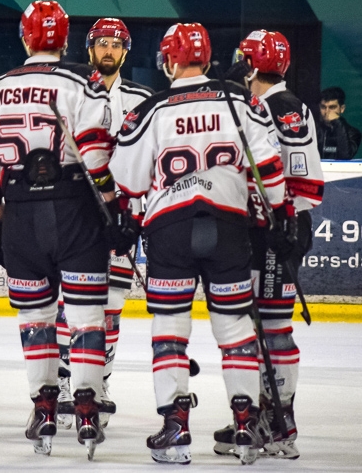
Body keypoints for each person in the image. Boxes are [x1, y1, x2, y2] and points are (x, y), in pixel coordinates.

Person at [110, 23, 293, 465]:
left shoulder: (153, 108)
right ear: (209, 59)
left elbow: (127, 179)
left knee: (170, 330)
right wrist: (281, 215)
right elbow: (268, 167)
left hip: (169, 231)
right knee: (235, 331)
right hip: (230, 228)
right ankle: (247, 425)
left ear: (169, 59)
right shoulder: (241, 101)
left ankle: (175, 427)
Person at [0, 0, 114, 456]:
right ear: (67, 40)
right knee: (87, 319)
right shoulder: (82, 81)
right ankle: (87, 408)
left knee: (35, 318)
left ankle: (45, 407)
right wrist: (113, 207)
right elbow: (95, 153)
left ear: (25, 37)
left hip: (20, 214)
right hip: (75, 211)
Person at [211, 29, 324, 460]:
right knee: (260, 327)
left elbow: (300, 184)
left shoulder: (273, 107)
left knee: (272, 330)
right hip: (273, 227)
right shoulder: (283, 103)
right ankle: (264, 415)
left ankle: (279, 423)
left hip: (278, 229)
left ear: (252, 64)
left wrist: (283, 220)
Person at [54, 17, 154, 430]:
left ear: (125, 51)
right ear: (90, 50)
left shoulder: (143, 99)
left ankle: (100, 383)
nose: (108, 50)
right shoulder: (71, 91)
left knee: (111, 307)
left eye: (116, 44)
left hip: (121, 216)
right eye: (102, 43)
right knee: (70, 306)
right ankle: (64, 385)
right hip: (74, 212)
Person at [317, 86, 361, 159]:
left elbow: (345, 157)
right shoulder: (314, 130)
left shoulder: (353, 133)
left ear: (342, 109)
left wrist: (337, 122)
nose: (327, 112)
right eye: (323, 107)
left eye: (332, 107)